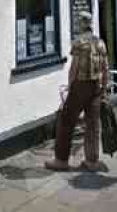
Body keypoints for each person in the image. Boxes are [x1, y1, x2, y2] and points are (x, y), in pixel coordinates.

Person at [46, 11, 109, 172]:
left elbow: (74, 67)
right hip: (96, 86)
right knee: (93, 124)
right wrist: (104, 89)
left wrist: (70, 86)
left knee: (66, 121)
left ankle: (61, 160)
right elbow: (105, 68)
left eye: (78, 22)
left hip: (80, 86)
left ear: (81, 23)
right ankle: (92, 160)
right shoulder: (100, 42)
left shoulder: (78, 42)